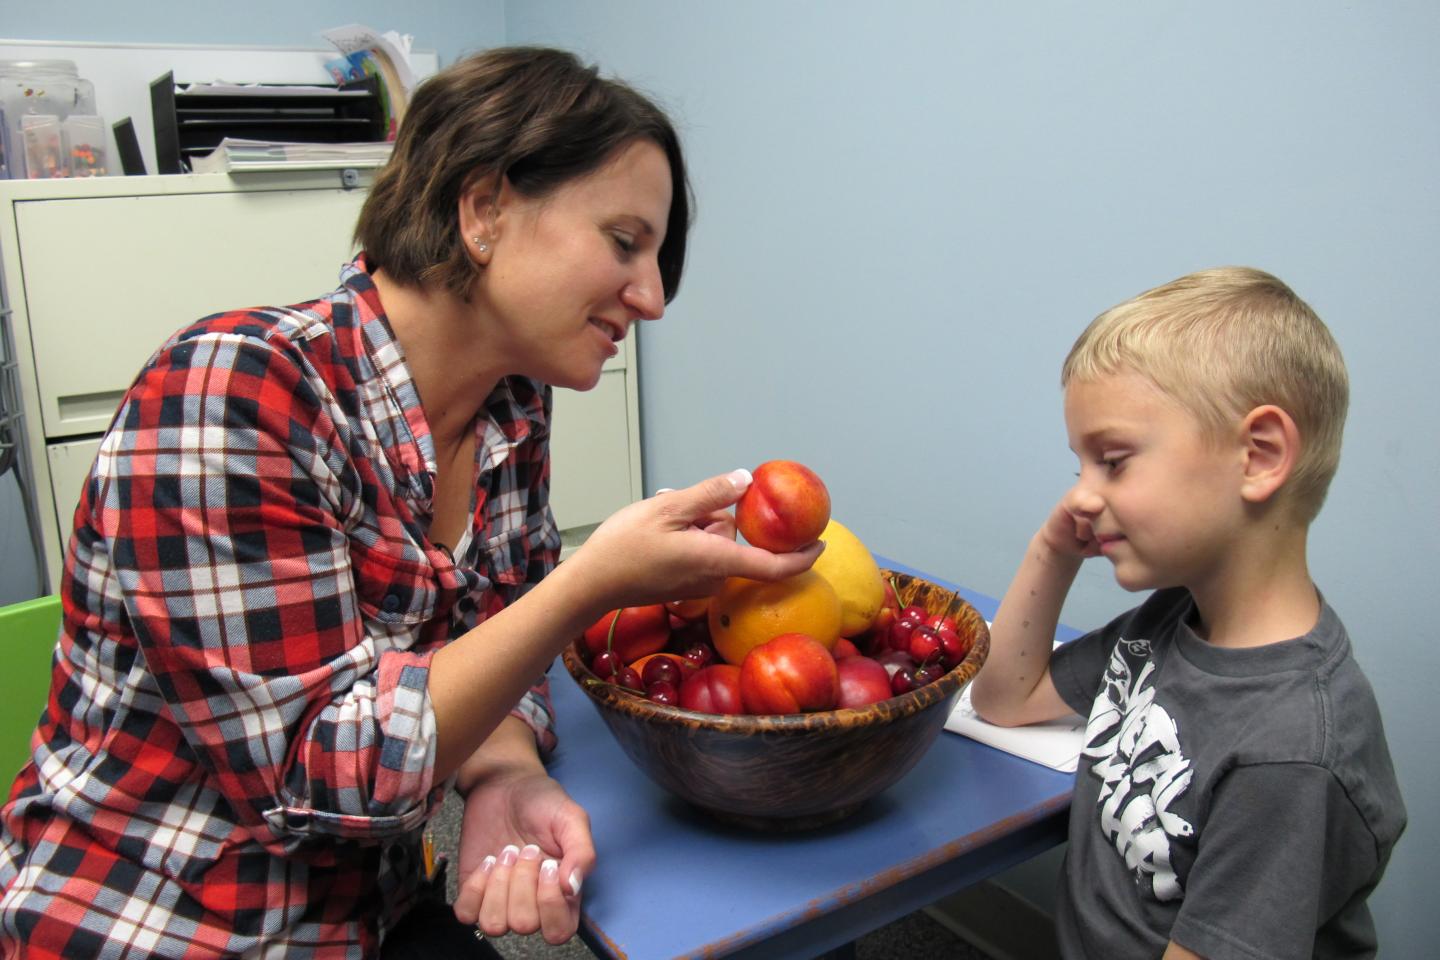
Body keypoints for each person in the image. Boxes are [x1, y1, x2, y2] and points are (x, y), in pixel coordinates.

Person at [0, 47, 821, 958]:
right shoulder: (234, 391)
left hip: (371, 909)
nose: (654, 298)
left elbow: (494, 638)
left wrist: (504, 772)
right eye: (625, 243)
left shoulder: (510, 406)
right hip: (155, 923)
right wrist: (591, 582)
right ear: (484, 211)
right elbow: (312, 779)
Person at [969, 267, 1406, 959]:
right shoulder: (1171, 622)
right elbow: (1004, 699)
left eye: (1113, 461)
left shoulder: (1290, 752)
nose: (1081, 496)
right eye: (1080, 467)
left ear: (1258, 456)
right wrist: (1051, 551)